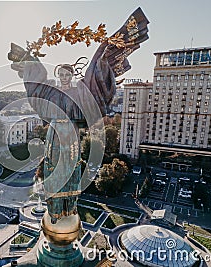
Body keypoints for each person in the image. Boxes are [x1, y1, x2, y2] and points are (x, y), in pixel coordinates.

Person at [10, 7, 149, 224]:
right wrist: (29, 59)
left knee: (71, 170)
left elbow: (96, 75)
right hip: (54, 136)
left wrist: (104, 52)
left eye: (68, 74)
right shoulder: (50, 93)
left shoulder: (81, 92)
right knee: (52, 168)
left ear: (72, 75)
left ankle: (68, 210)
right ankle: (55, 211)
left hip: (71, 135)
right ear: (58, 75)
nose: (64, 78)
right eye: (61, 74)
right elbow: (36, 82)